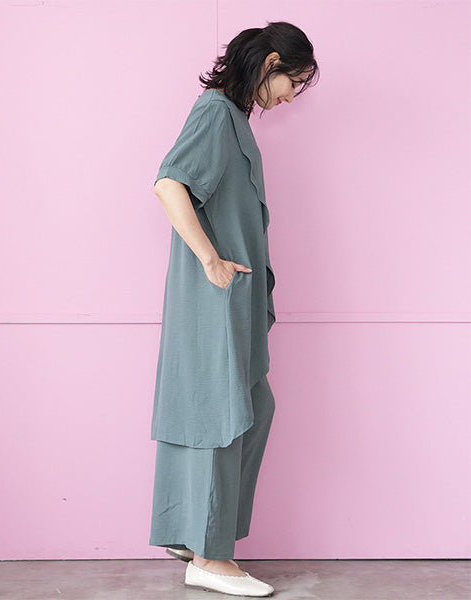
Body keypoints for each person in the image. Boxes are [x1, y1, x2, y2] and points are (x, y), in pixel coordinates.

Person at [148, 21, 319, 597]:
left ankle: (190, 531)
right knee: (224, 412)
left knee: (246, 406)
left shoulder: (232, 118)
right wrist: (211, 261)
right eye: (293, 81)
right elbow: (169, 184)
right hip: (216, 297)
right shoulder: (216, 114)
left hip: (232, 301)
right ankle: (210, 557)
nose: (291, 96)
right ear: (270, 63)